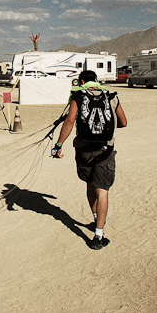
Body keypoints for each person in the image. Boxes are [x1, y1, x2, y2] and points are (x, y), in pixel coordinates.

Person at [51, 70, 127, 250]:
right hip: (105, 151)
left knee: (90, 184)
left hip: (83, 150)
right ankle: (98, 236)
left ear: (82, 81)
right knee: (103, 191)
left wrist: (59, 145)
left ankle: (94, 219)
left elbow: (69, 121)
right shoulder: (111, 96)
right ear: (97, 81)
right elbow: (123, 122)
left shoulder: (78, 95)